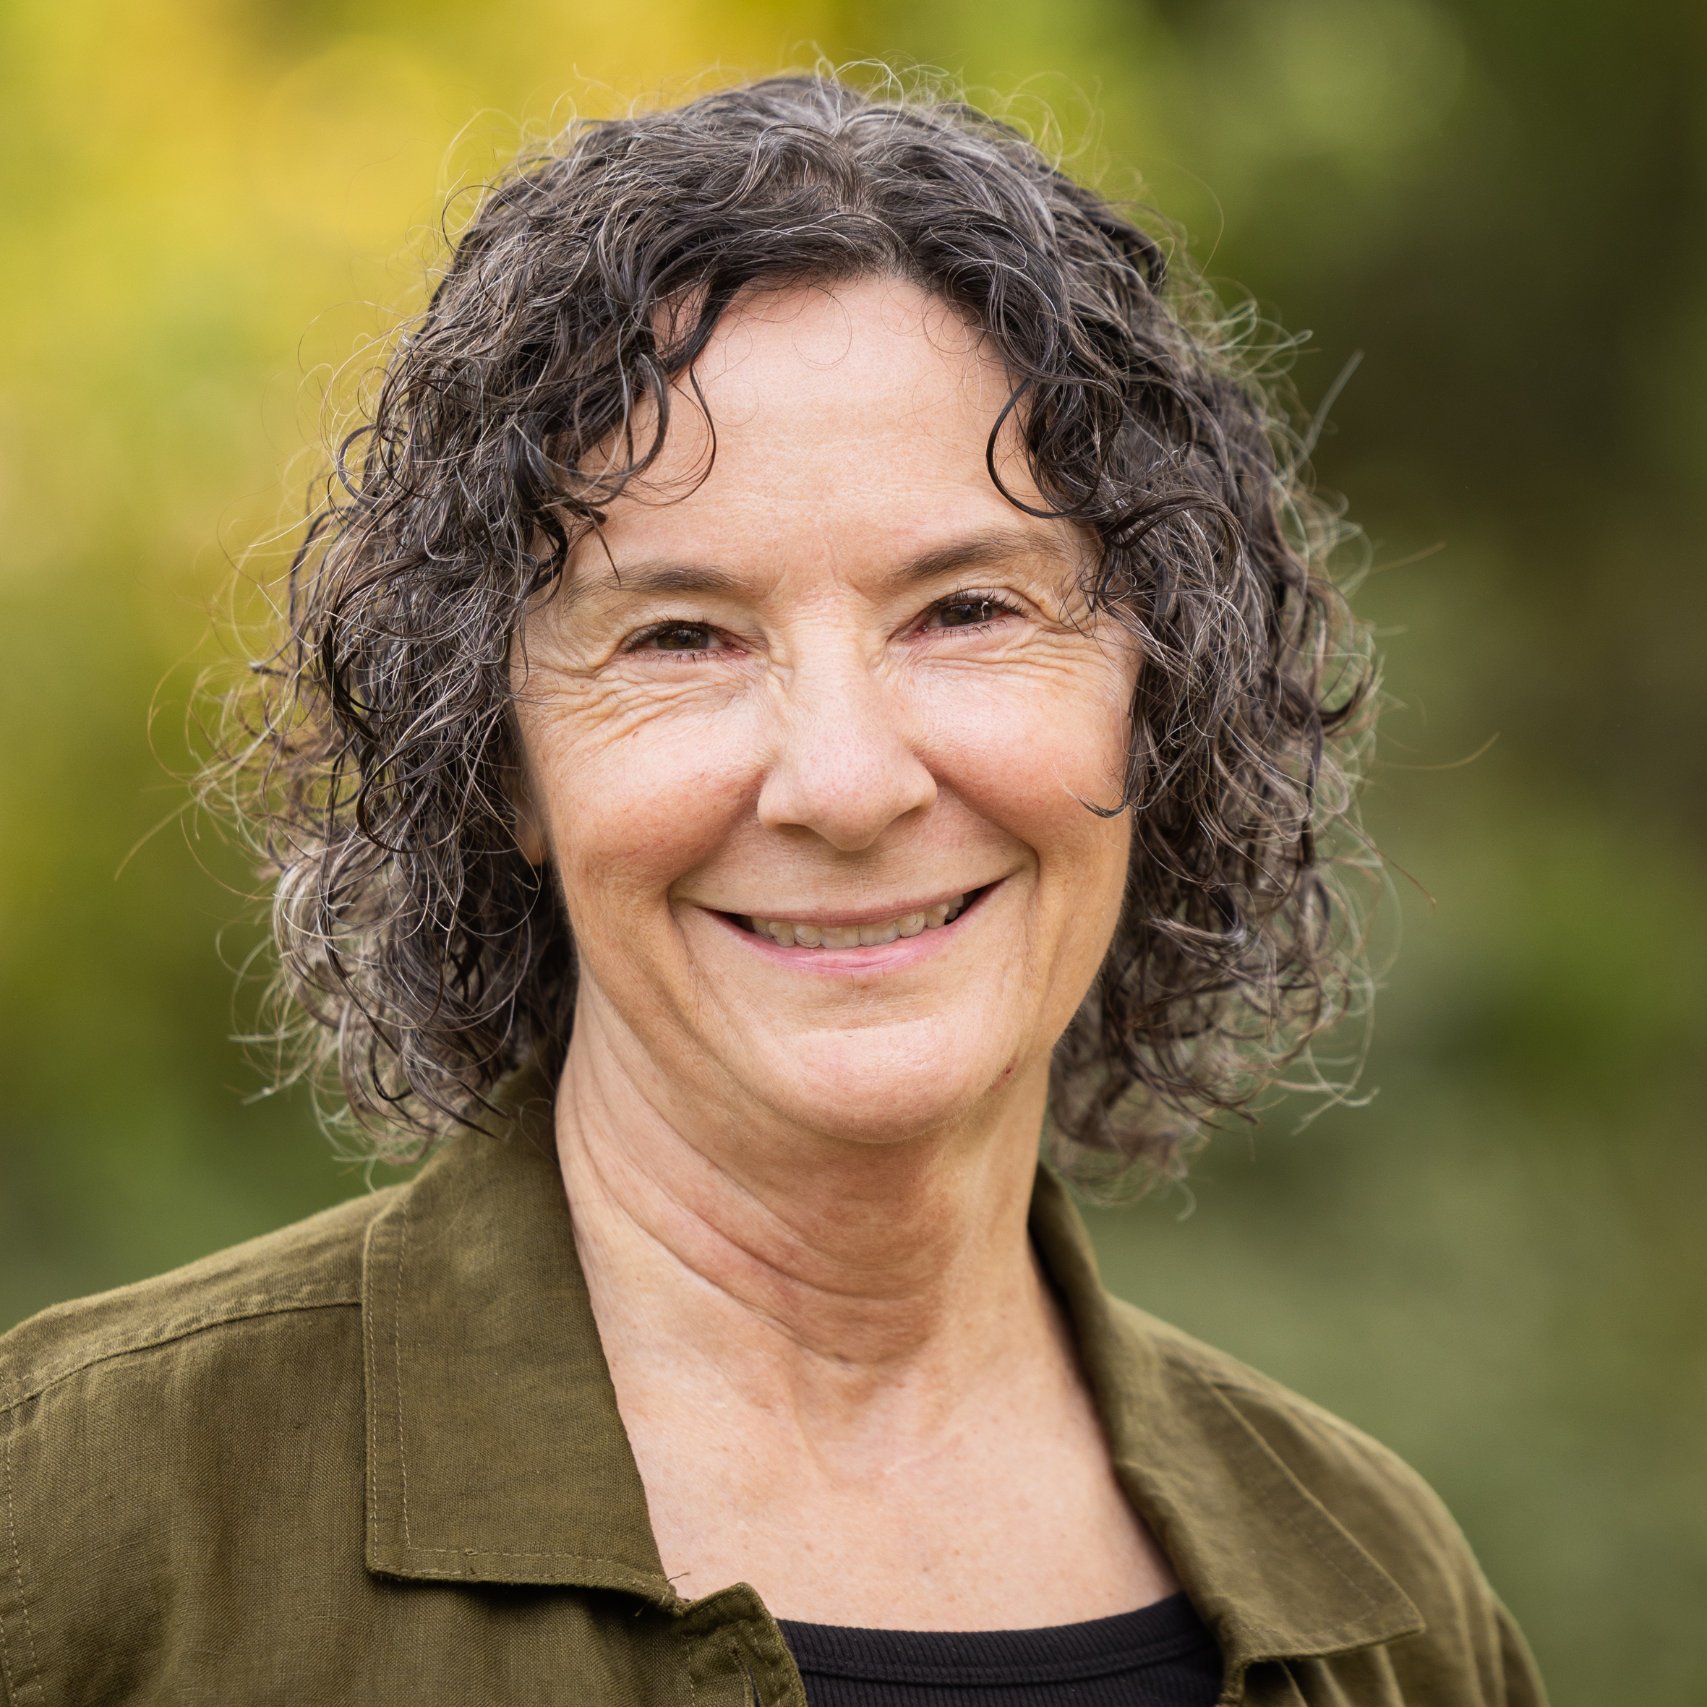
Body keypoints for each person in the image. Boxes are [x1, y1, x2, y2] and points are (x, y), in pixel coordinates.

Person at [0, 73, 1547, 1706]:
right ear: (501, 761)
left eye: (966, 609)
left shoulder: (1388, 1603)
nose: (844, 781)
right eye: (681, 637)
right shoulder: (85, 1532)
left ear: (1161, 696)